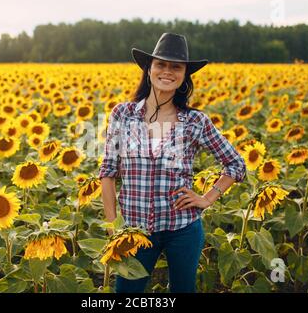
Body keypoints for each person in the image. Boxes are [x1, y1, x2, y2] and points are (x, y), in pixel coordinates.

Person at [98, 32, 247, 293]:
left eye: (176, 67)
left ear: (184, 76)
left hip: (183, 229)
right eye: (161, 65)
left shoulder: (195, 121)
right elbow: (108, 172)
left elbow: (236, 164)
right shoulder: (123, 114)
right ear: (149, 69)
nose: (167, 72)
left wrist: (208, 198)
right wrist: (114, 229)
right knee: (127, 292)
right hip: (135, 231)